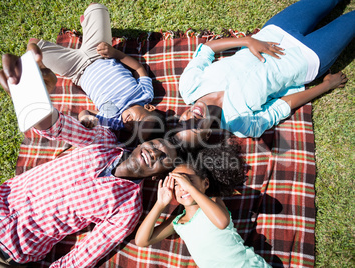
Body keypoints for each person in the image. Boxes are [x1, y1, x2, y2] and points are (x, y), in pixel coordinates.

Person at [0, 43, 181, 268]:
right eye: (155, 144)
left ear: (156, 176)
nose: (155, 152)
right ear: (143, 144)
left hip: (1, 256)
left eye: (163, 158)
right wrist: (33, 96)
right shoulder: (105, 140)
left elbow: (84, 256)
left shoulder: (127, 210)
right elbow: (56, 126)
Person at [174, 0, 354, 148]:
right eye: (194, 127)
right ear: (207, 135)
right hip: (307, 59)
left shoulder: (189, 86)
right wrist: (326, 86)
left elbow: (205, 50)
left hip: (275, 31)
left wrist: (247, 41)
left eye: (183, 121)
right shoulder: (241, 125)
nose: (191, 118)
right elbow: (282, 106)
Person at [29, 3, 163, 141]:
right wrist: (115, 53)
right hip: (100, 52)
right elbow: (138, 68)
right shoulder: (145, 95)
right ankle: (88, 28)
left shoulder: (113, 120)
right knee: (96, 7)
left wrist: (86, 118)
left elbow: (85, 113)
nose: (131, 124)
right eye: (138, 122)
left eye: (133, 131)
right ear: (149, 107)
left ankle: (88, 29)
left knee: (33, 47)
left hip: (77, 70)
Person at [135, 142, 271, 267]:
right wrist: (160, 204)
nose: (182, 187)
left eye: (187, 180)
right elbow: (142, 241)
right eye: (177, 184)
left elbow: (222, 222)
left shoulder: (214, 202)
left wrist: (190, 188)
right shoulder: (177, 222)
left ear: (205, 183)